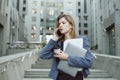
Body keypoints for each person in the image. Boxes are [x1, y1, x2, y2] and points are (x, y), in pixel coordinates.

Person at [40, 14, 94, 80]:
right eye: (59, 24)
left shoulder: (82, 40)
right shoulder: (58, 44)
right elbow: (43, 55)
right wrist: (54, 39)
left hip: (76, 77)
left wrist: (67, 57)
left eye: (63, 23)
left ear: (71, 25)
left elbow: (88, 62)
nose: (60, 25)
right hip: (60, 77)